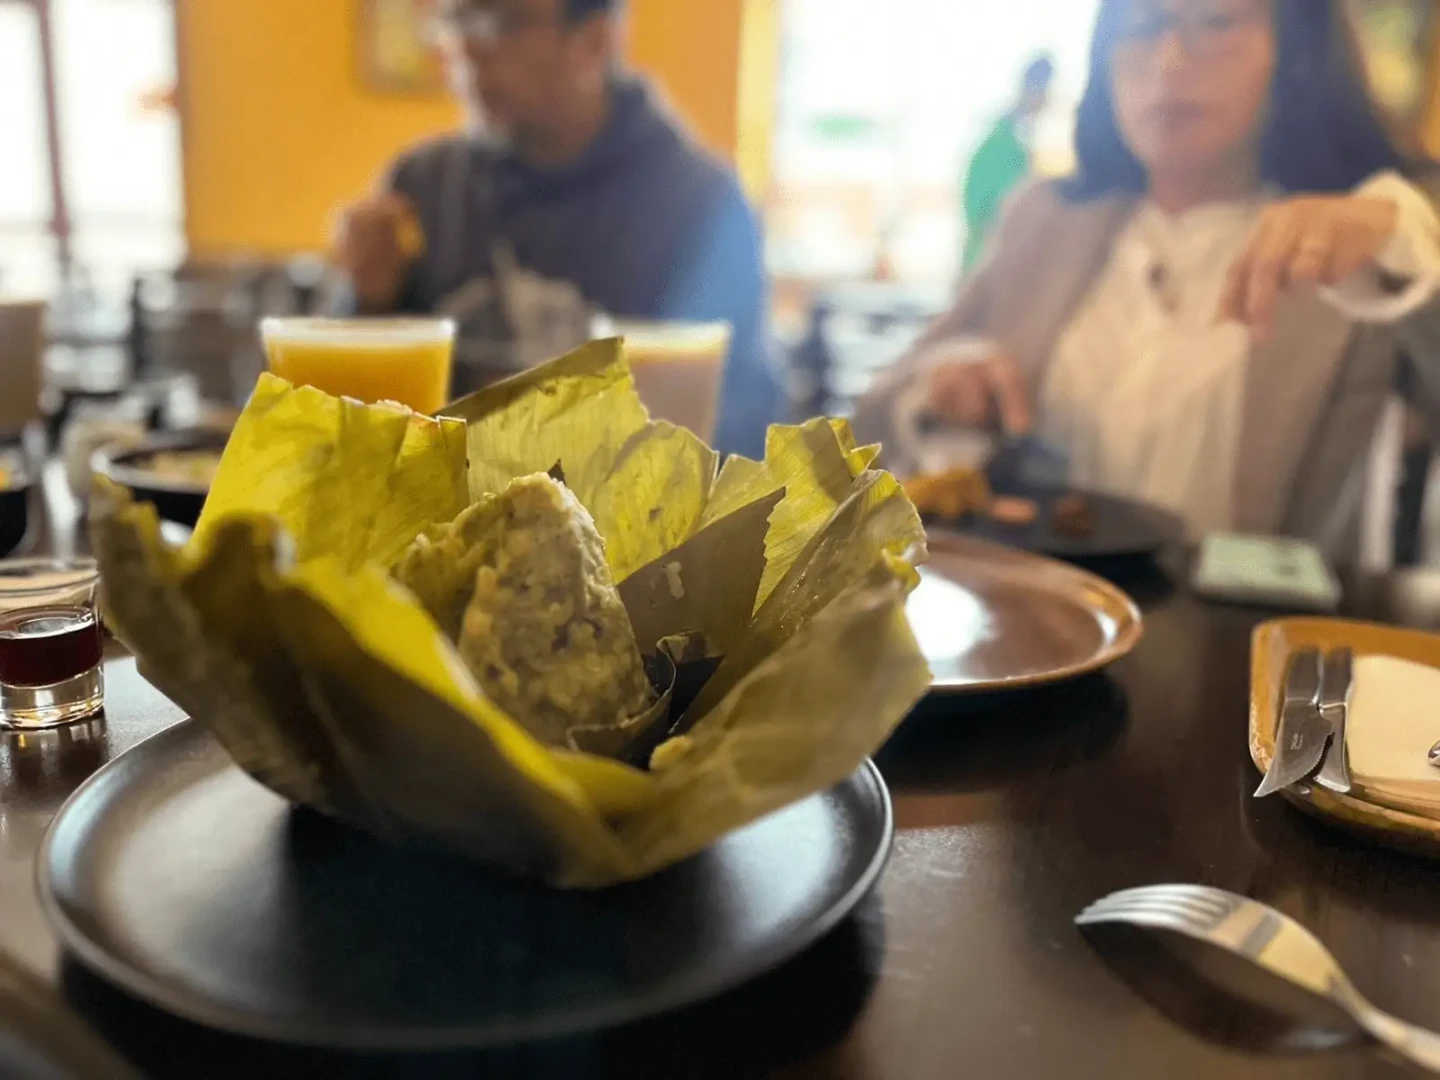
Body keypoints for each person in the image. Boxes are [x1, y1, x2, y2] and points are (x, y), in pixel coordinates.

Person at [856, 0, 1440, 556]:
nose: (1169, 60)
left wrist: (1402, 240)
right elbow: (875, 419)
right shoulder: (1046, 220)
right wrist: (944, 394)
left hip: (1253, 625)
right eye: (1141, 26)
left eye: (1215, 21)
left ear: (1299, 50)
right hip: (1037, 608)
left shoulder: (1350, 244)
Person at [333, 0, 780, 459]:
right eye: (458, 19)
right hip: (438, 499)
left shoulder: (702, 208)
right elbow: (350, 425)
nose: (468, 47)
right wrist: (366, 299)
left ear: (595, 41)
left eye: (502, 20)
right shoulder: (423, 185)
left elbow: (745, 429)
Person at [960, 54, 1055, 271]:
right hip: (989, 264)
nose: (1049, 101)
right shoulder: (1003, 145)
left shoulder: (1011, 139)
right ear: (1035, 91)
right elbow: (990, 214)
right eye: (1047, 92)